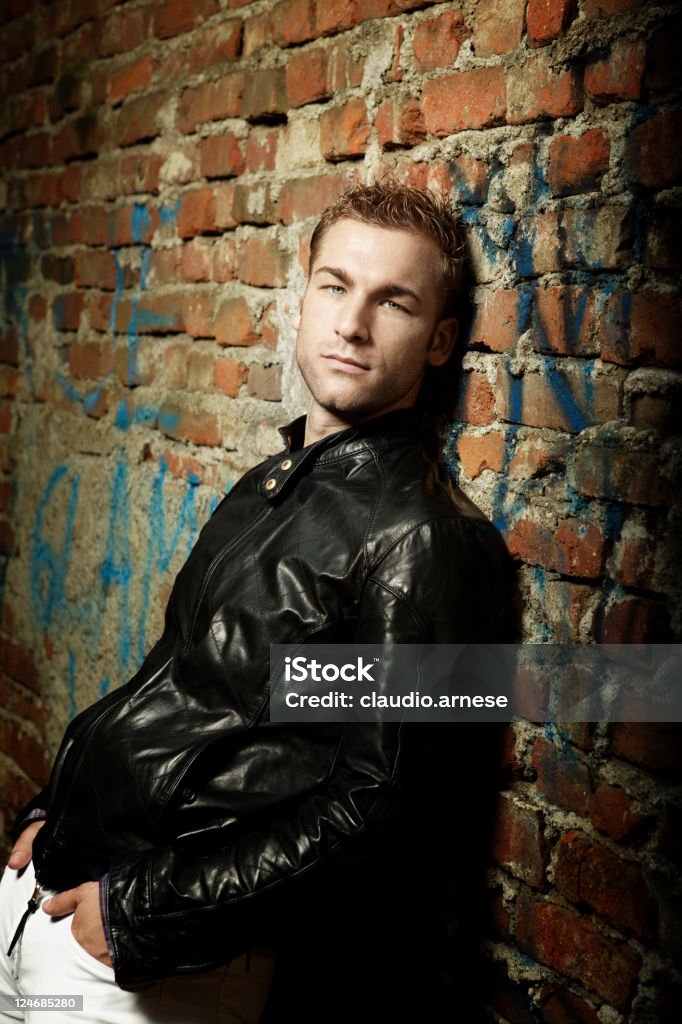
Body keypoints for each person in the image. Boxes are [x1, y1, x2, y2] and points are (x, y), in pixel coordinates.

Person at [1, 182, 515, 1023]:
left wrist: (138, 912)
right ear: (303, 297)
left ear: (440, 341)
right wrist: (50, 819)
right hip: (50, 895)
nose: (353, 324)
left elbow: (376, 813)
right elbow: (178, 691)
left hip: (159, 962)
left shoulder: (420, 542)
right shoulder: (271, 485)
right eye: (336, 285)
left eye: (394, 302)